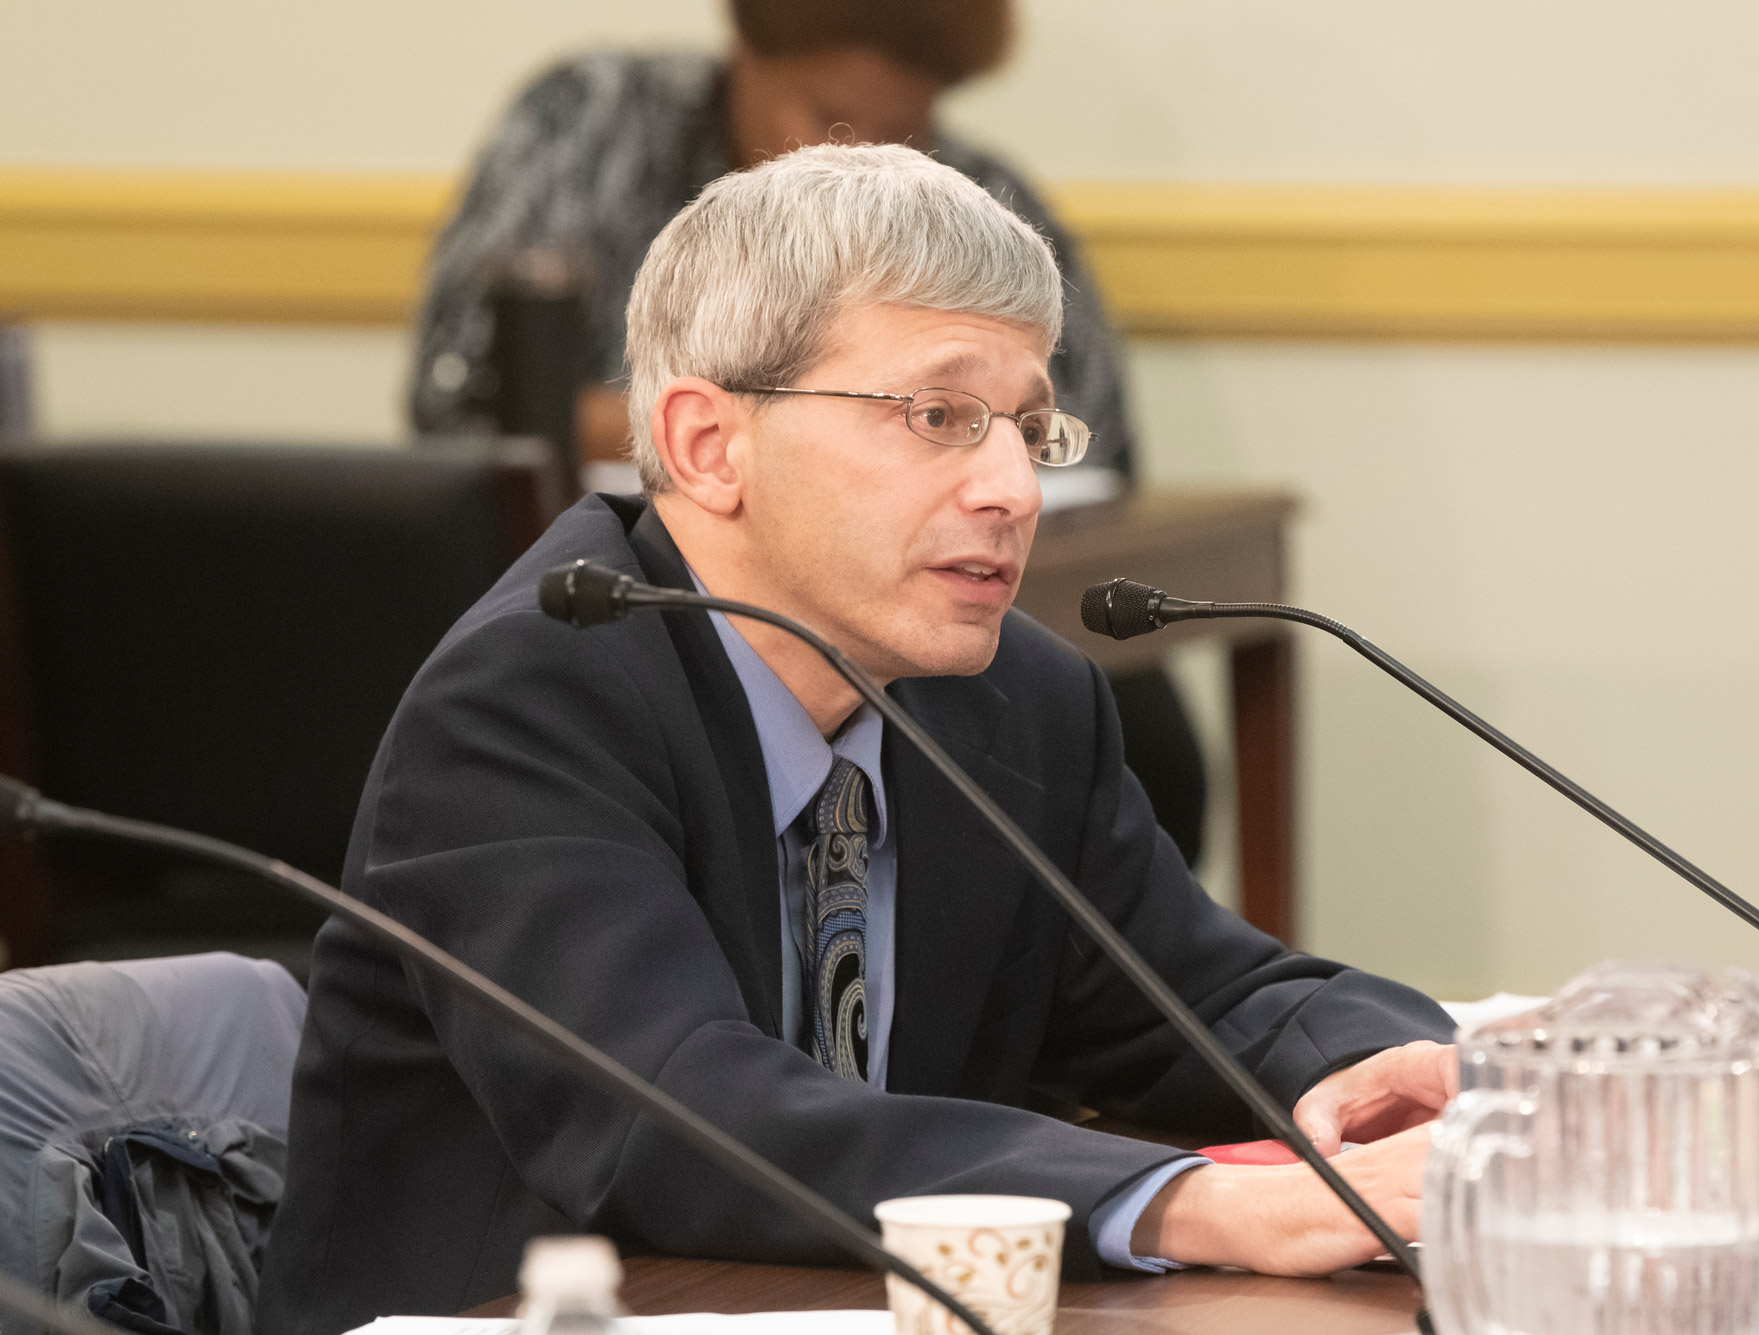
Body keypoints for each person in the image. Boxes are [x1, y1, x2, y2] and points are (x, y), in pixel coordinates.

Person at [256, 144, 1456, 1335]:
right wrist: (1198, 1207)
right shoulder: (530, 699)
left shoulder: (1013, 698)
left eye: (1027, 428)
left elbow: (1201, 995)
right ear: (707, 445)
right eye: (938, 416)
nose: (1012, 489)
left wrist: (1434, 1082)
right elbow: (675, 1114)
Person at [406, 0, 1211, 866]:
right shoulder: (594, 125)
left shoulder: (978, 206)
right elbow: (458, 386)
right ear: (744, 54)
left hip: (916, 621)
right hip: (609, 587)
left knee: (1141, 736)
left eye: (902, 130)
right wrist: (732, 407)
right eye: (827, 114)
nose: (855, 151)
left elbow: (1101, 434)